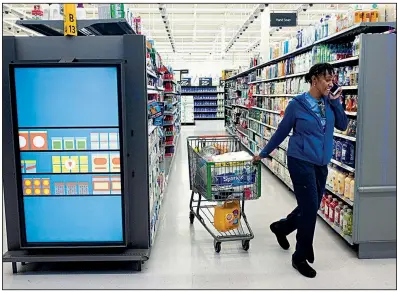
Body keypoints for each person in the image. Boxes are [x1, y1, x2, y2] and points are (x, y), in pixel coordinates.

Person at [253, 63, 348, 278]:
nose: (330, 82)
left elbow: (342, 125)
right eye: (326, 78)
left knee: (309, 207)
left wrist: (336, 104)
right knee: (310, 207)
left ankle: (282, 227)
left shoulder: (329, 102)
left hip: (321, 163)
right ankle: (300, 256)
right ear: (314, 79)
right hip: (300, 161)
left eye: (332, 79)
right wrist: (264, 152)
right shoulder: (297, 105)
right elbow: (282, 131)